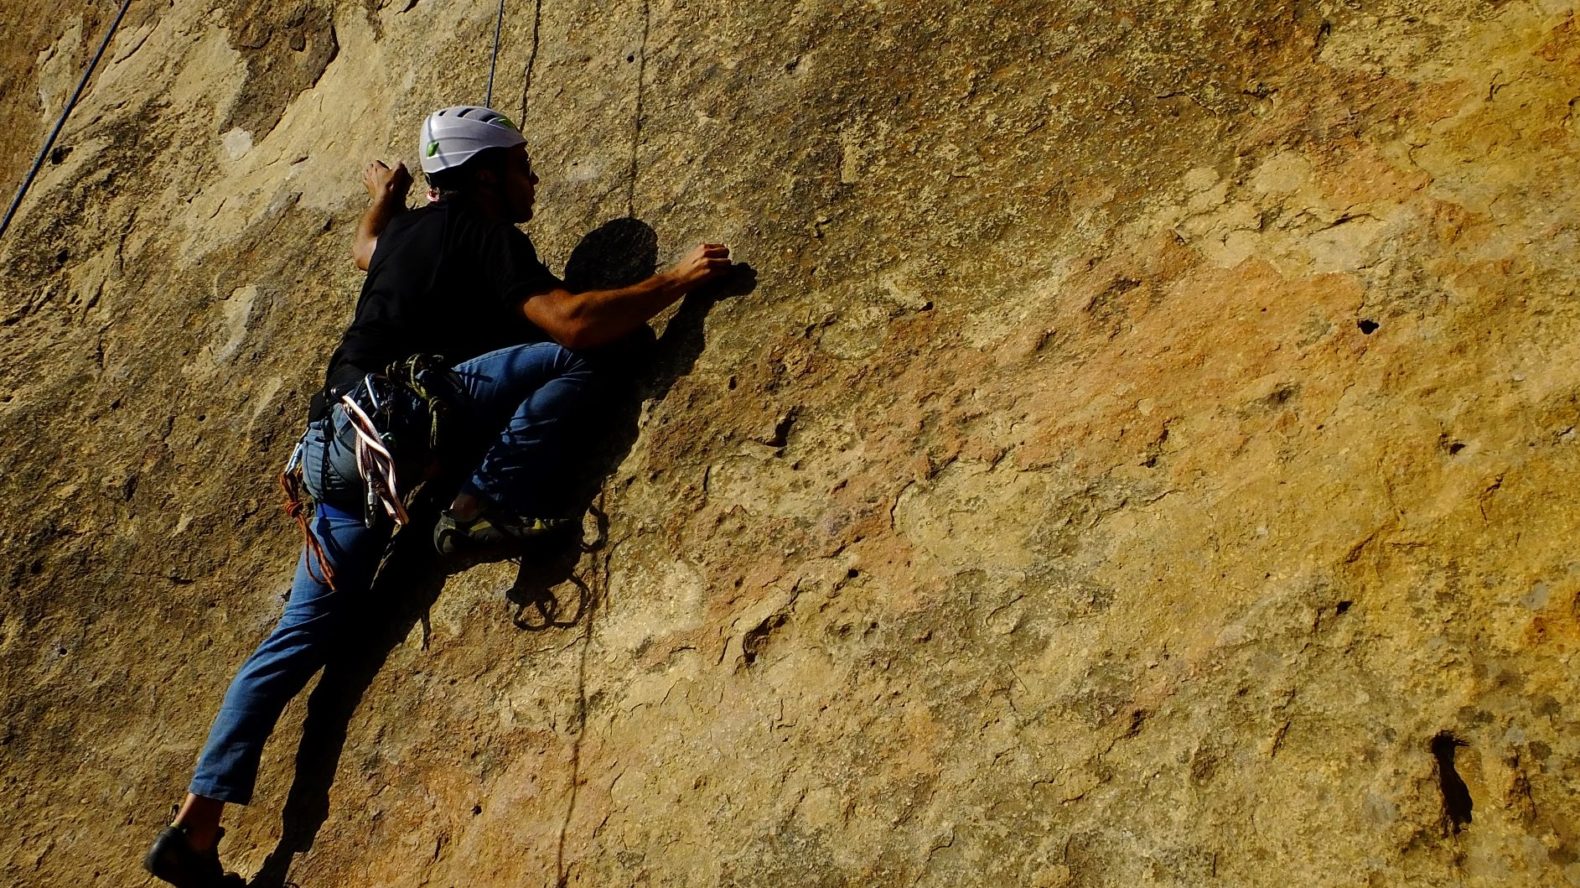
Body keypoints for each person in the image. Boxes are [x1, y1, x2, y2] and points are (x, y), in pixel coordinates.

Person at [142, 105, 734, 887]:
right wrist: (676, 280)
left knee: (294, 640)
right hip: (400, 423)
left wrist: (386, 194)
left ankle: (195, 823)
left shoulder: (405, 234)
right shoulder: (487, 233)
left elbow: (363, 250)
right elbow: (570, 323)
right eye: (521, 164)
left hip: (332, 454)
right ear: (485, 177)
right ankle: (478, 508)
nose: (535, 178)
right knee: (591, 355)